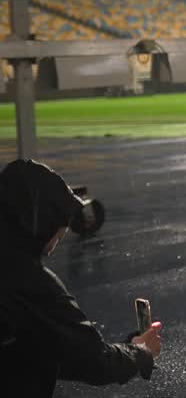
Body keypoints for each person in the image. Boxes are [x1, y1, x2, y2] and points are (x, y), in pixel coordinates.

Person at [0, 159, 161, 396]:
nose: (53, 246)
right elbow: (94, 362)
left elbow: (52, 347)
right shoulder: (32, 283)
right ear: (39, 223)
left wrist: (129, 349)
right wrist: (141, 351)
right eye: (59, 235)